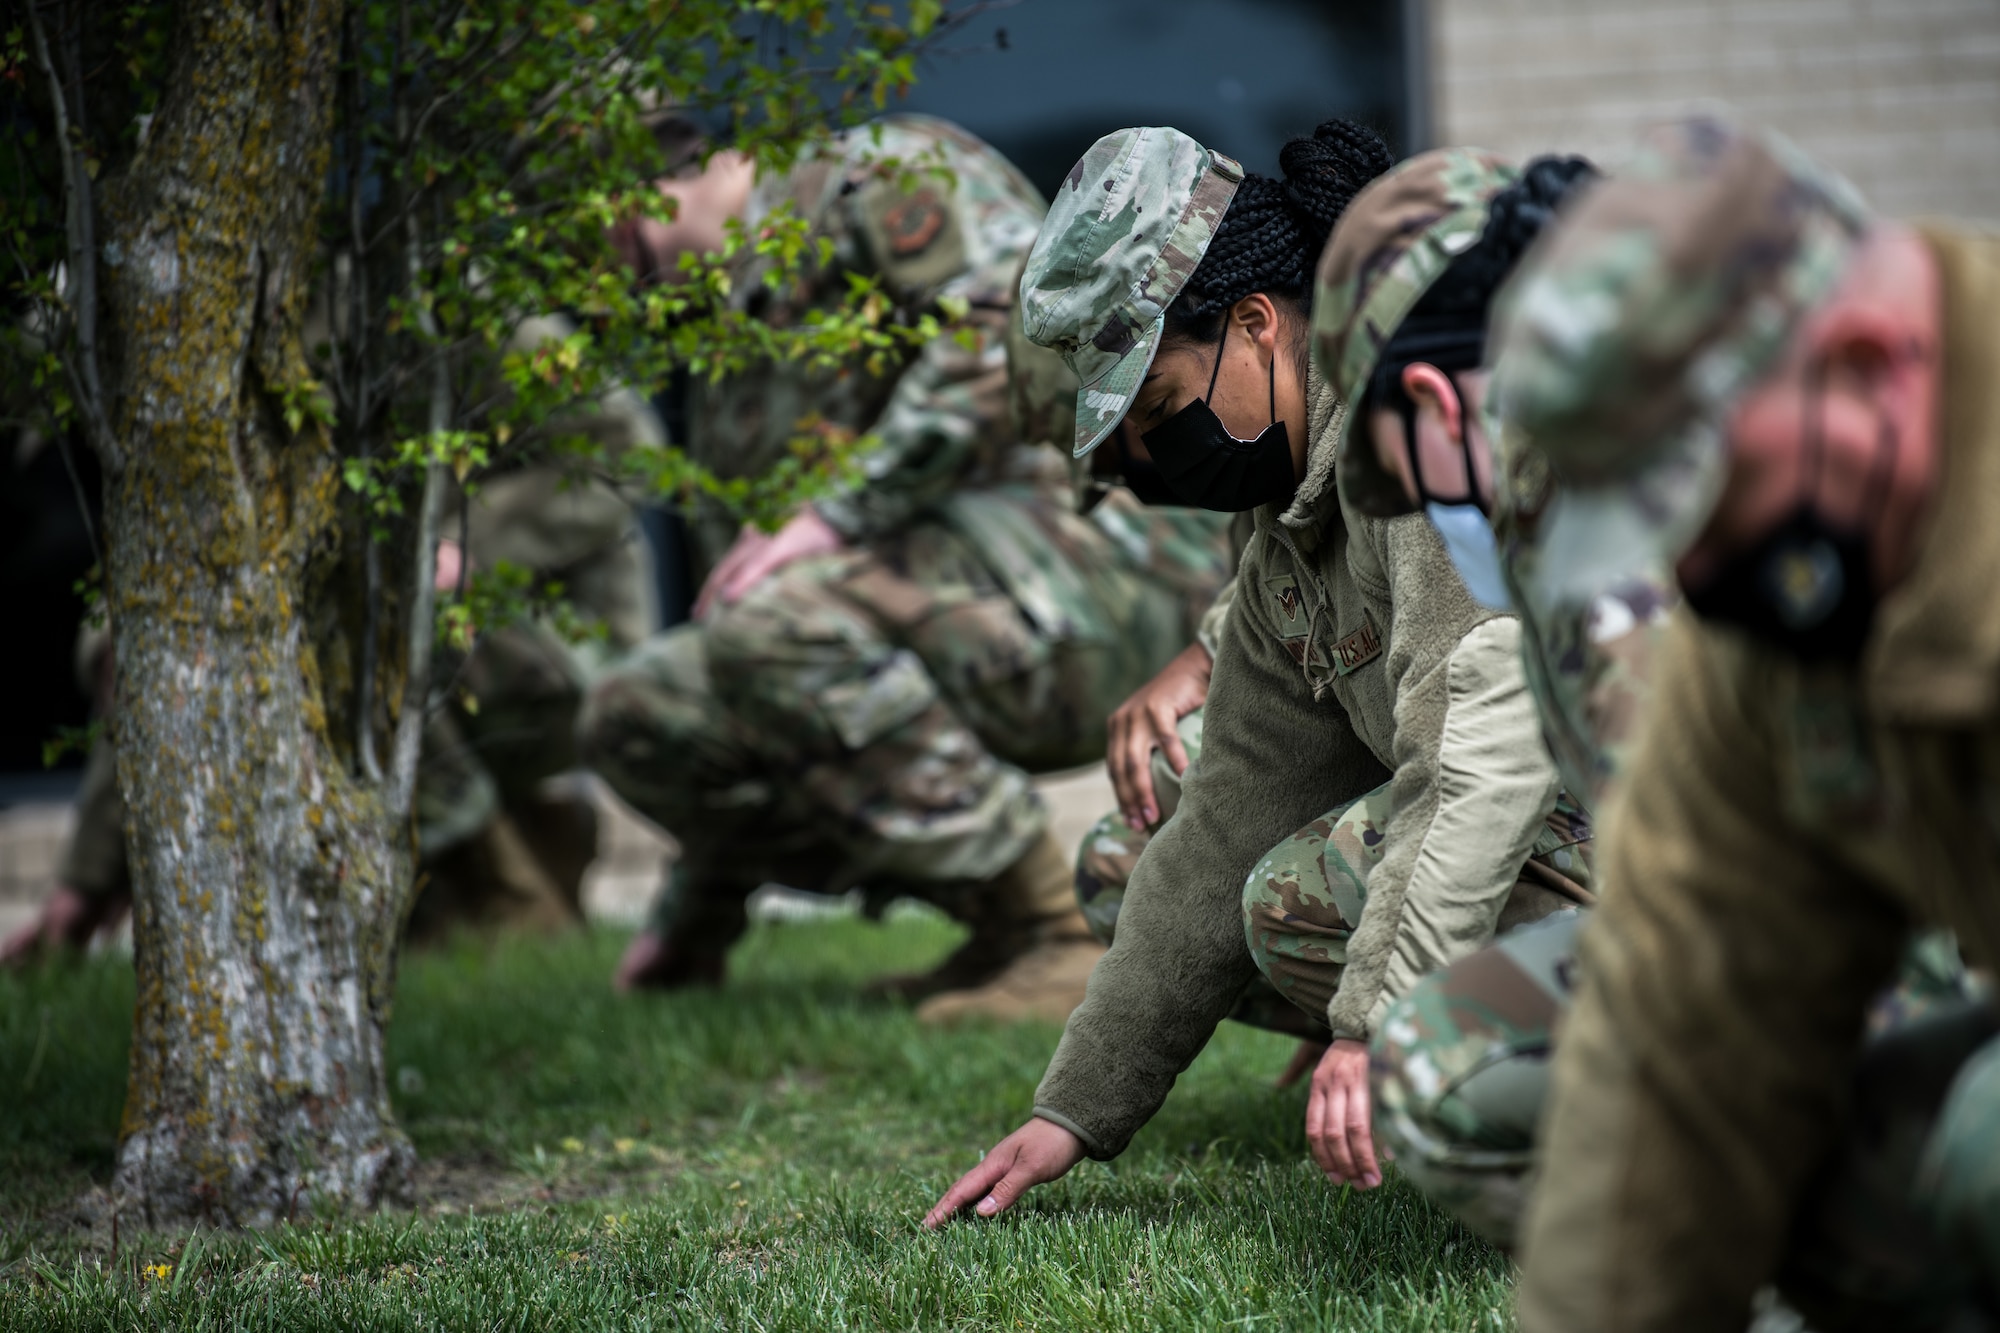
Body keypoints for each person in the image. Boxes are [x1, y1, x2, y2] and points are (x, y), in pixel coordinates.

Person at [922, 124, 1596, 1230]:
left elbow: (1483, 747)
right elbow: (1226, 806)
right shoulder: (1285, 521)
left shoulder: (1421, 430)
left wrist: (1372, 1025)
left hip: (1708, 836)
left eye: (1158, 406)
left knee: (1313, 880)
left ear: (1253, 324)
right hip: (1592, 829)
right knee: (1234, 868)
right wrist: (1074, 1110)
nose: (1154, 452)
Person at [1452, 117, 2000, 1331]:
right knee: (1831, 1168)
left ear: (1864, 363)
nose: (1688, 570)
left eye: (1707, 500)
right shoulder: (1768, 622)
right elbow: (1673, 1042)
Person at [579, 113, 1235, 1020]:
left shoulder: (877, 175)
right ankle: (1001, 926)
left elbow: (1015, 330)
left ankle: (1060, 932)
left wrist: (837, 509)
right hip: (939, 603)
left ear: (623, 207)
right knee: (639, 707)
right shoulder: (726, 362)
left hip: (1099, 577)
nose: (602, 292)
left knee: (781, 625)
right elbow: (747, 655)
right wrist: (696, 913)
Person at [0, 315, 662, 962]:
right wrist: (85, 875)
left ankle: (503, 897)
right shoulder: (214, 354)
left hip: (570, 655)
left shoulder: (433, 294)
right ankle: (450, 892)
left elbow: (631, 448)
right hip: (425, 661)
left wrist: (466, 540)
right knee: (265, 620)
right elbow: (168, 644)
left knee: (341, 609)